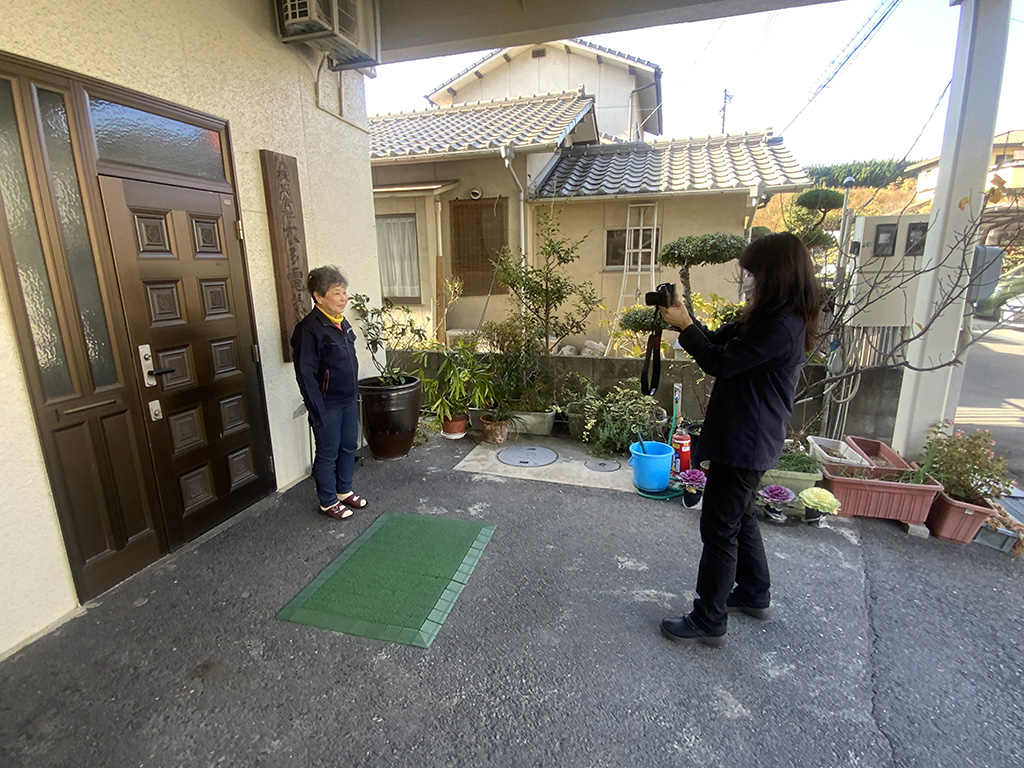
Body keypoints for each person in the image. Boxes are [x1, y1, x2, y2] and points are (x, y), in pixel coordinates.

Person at [658, 232, 821, 649]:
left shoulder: (780, 325)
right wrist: (685, 319)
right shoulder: (772, 317)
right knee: (740, 516)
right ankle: (753, 592)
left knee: (719, 529)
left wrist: (686, 328)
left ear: (775, 274)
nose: (749, 280)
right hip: (748, 436)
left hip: (745, 441)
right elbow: (716, 341)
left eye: (754, 273)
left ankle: (708, 619)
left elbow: (720, 361)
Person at [291, 266, 369, 520]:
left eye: (344, 292)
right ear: (318, 296)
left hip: (348, 399)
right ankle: (328, 501)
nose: (344, 298)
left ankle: (343, 491)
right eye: (337, 293)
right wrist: (317, 410)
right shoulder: (309, 329)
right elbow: (305, 374)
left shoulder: (340, 322)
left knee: (348, 446)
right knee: (327, 453)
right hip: (327, 404)